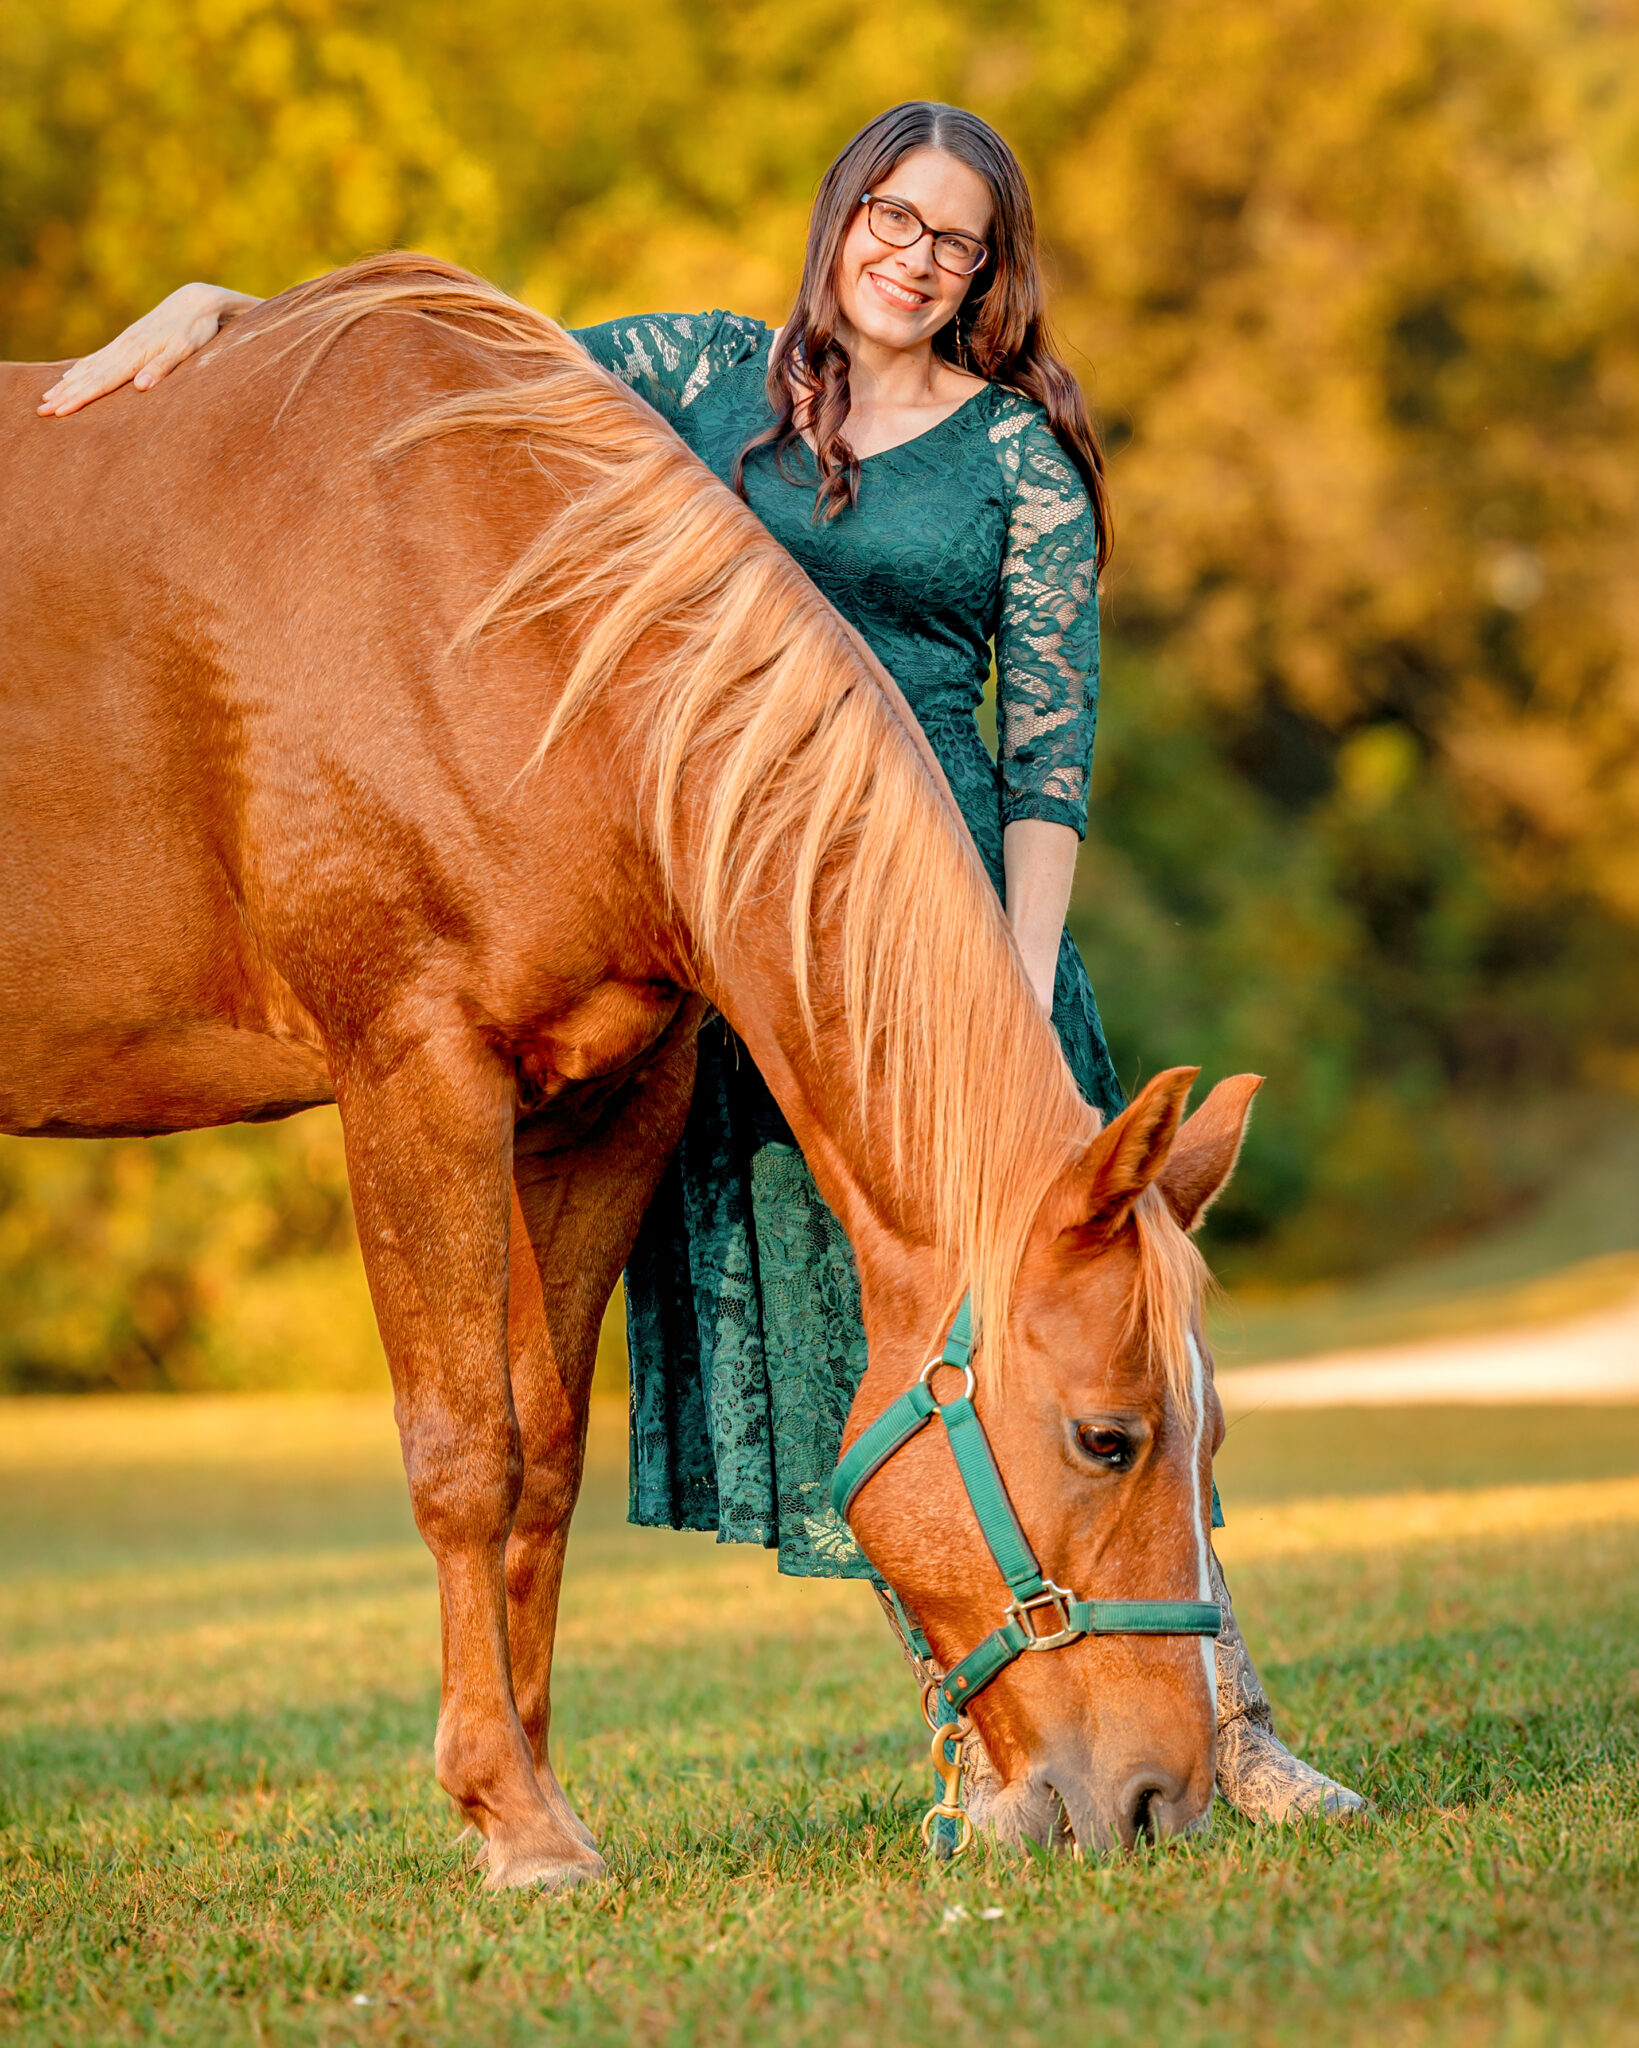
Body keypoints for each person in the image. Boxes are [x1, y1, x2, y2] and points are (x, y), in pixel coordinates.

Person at [40, 101, 1364, 1823]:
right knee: (876, 1358)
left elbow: (1049, 750)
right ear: (842, 219)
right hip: (743, 942)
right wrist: (233, 310)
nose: (914, 254)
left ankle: (1222, 1724)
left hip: (953, 950)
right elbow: (456, 405)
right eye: (892, 215)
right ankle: (995, 1737)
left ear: (990, 274)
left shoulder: (1019, 456)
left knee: (1098, 1357)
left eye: (954, 238)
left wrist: (1021, 984)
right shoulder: (707, 379)